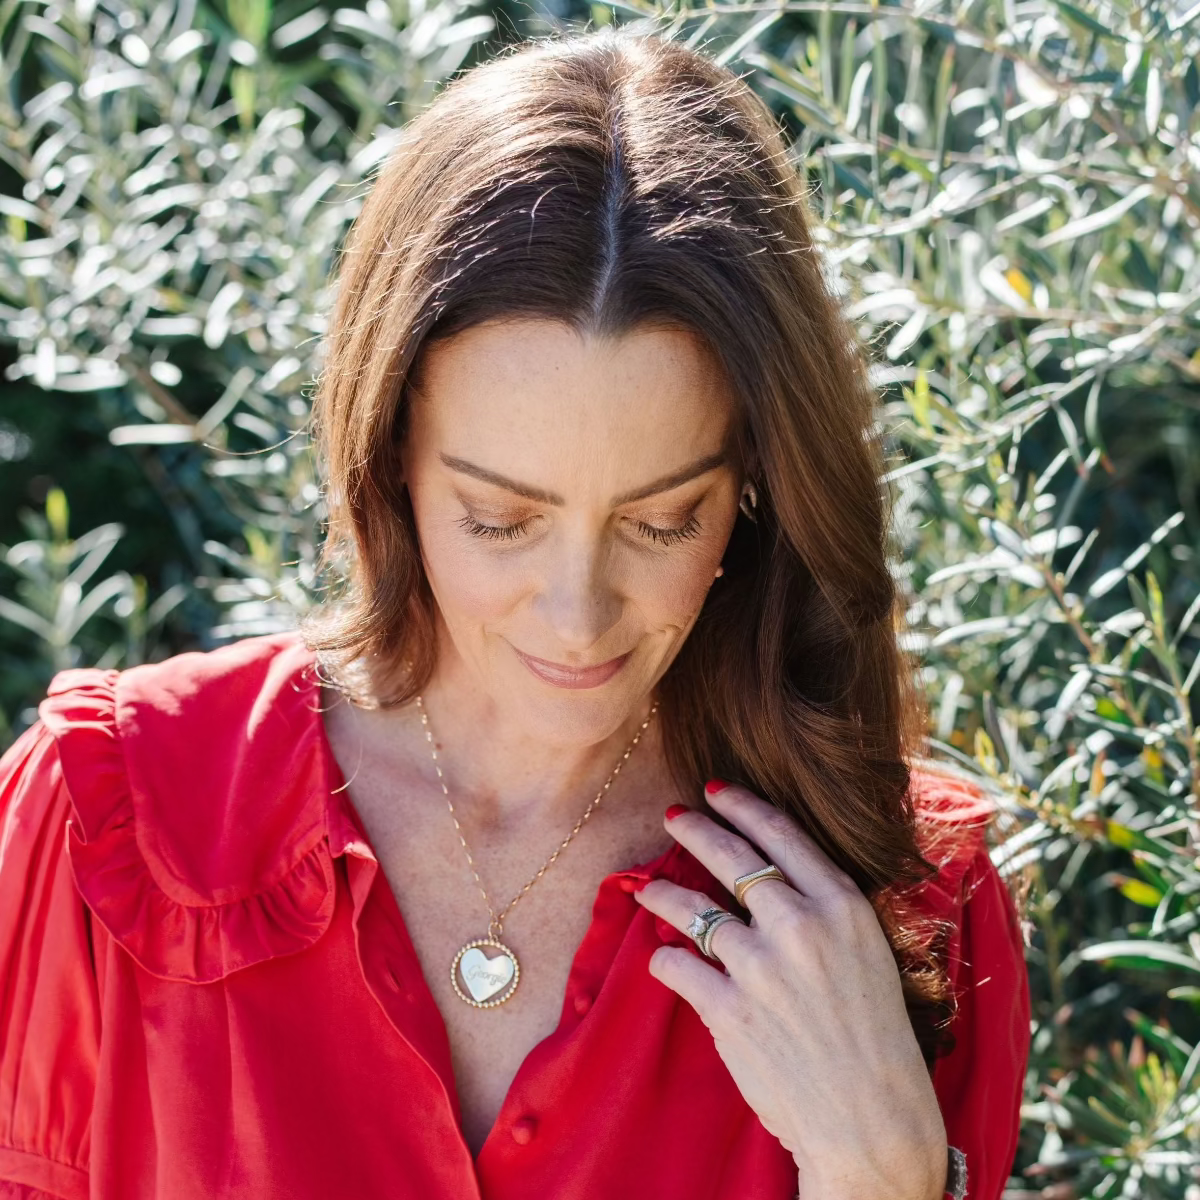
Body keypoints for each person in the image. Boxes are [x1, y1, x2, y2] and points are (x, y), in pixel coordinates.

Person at [0, 27, 1030, 1200]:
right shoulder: (112, 822)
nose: (579, 615)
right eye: (500, 519)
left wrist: (884, 1179)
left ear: (755, 486)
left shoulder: (909, 905)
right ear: (387, 460)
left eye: (661, 521)